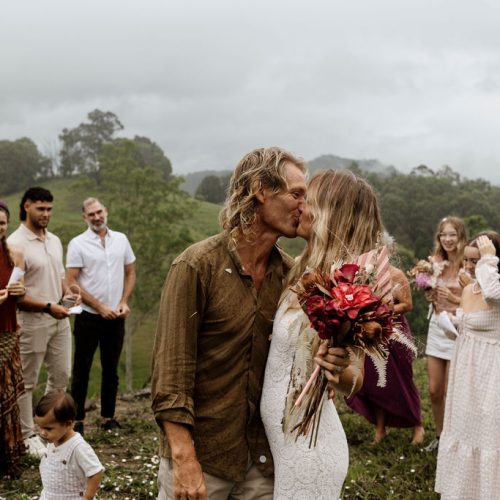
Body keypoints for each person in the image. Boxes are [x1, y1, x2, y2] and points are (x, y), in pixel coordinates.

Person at [151, 147, 311, 500]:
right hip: (203, 459)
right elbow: (171, 374)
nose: (304, 204)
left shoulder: (290, 276)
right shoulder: (196, 266)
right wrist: (184, 458)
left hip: (262, 462)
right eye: (296, 193)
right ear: (260, 189)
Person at [261, 169, 388, 499]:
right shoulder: (302, 268)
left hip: (309, 447)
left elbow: (355, 379)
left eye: (310, 200)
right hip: (285, 441)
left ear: (331, 214)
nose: (300, 206)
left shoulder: (350, 286)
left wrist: (335, 367)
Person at [435, 232, 500, 498]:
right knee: (463, 429)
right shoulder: (469, 288)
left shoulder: (493, 285)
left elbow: (493, 295)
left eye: (477, 261)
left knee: (488, 434)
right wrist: (452, 323)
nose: (470, 267)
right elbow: (468, 325)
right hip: (466, 372)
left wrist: (488, 260)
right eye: (468, 261)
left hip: (491, 373)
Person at [8, 187, 72, 457]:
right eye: (40, 209)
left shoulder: (55, 240)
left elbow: (59, 277)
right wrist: (48, 306)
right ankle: (27, 435)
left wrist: (68, 294)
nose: (46, 214)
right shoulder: (14, 244)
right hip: (31, 320)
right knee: (27, 381)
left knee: (61, 374)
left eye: (49, 209)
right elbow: (16, 295)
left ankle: (52, 427)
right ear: (26, 207)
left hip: (60, 319)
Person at [66, 198, 136, 435]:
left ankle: (108, 417)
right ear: (84, 218)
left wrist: (123, 302)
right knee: (82, 368)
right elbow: (71, 282)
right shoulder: (78, 244)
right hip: (88, 316)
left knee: (111, 368)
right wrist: (98, 306)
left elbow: (130, 272)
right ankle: (77, 421)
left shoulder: (121, 239)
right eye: (91, 214)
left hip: (116, 316)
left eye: (99, 212)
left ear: (106, 211)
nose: (96, 217)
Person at [346, 240, 424, 445]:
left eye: (383, 249)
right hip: (373, 333)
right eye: (375, 249)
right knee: (376, 383)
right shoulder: (366, 273)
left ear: (390, 251)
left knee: (402, 380)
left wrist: (386, 309)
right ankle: (380, 429)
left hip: (395, 333)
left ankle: (418, 424)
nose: (378, 253)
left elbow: (408, 305)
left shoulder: (397, 275)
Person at [423, 216, 467, 451]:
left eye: (452, 234)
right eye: (444, 235)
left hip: (458, 330)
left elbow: (476, 302)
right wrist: (429, 294)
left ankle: (453, 439)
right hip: (437, 327)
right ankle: (439, 436)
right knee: (434, 389)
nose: (448, 239)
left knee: (451, 391)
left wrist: (455, 299)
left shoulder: (467, 265)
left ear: (461, 237)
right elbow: (429, 291)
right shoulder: (435, 263)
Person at [34, 390, 103, 499]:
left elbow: (95, 473)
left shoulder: (78, 447)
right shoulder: (53, 439)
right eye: (40, 426)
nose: (42, 432)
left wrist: (88, 497)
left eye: (48, 428)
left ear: (68, 424)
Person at [0, 200, 26, 476]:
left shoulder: (15, 254)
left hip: (7, 332)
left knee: (6, 396)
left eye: (1, 222)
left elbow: (21, 292)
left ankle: (8, 458)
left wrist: (19, 291)